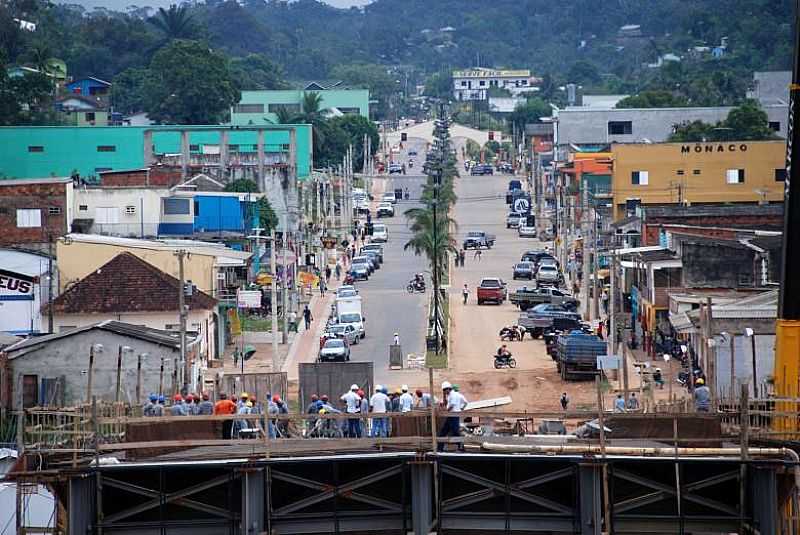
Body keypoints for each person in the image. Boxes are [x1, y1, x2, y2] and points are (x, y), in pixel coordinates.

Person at [438, 381, 466, 452]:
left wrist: (446, 411)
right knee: (443, 431)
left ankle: (461, 447)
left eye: (445, 390)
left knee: (455, 432)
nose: (445, 392)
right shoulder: (450, 395)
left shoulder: (453, 395)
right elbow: (446, 402)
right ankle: (439, 448)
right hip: (451, 415)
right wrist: (444, 395)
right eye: (443, 390)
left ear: (448, 388)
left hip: (454, 415)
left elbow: (452, 405)